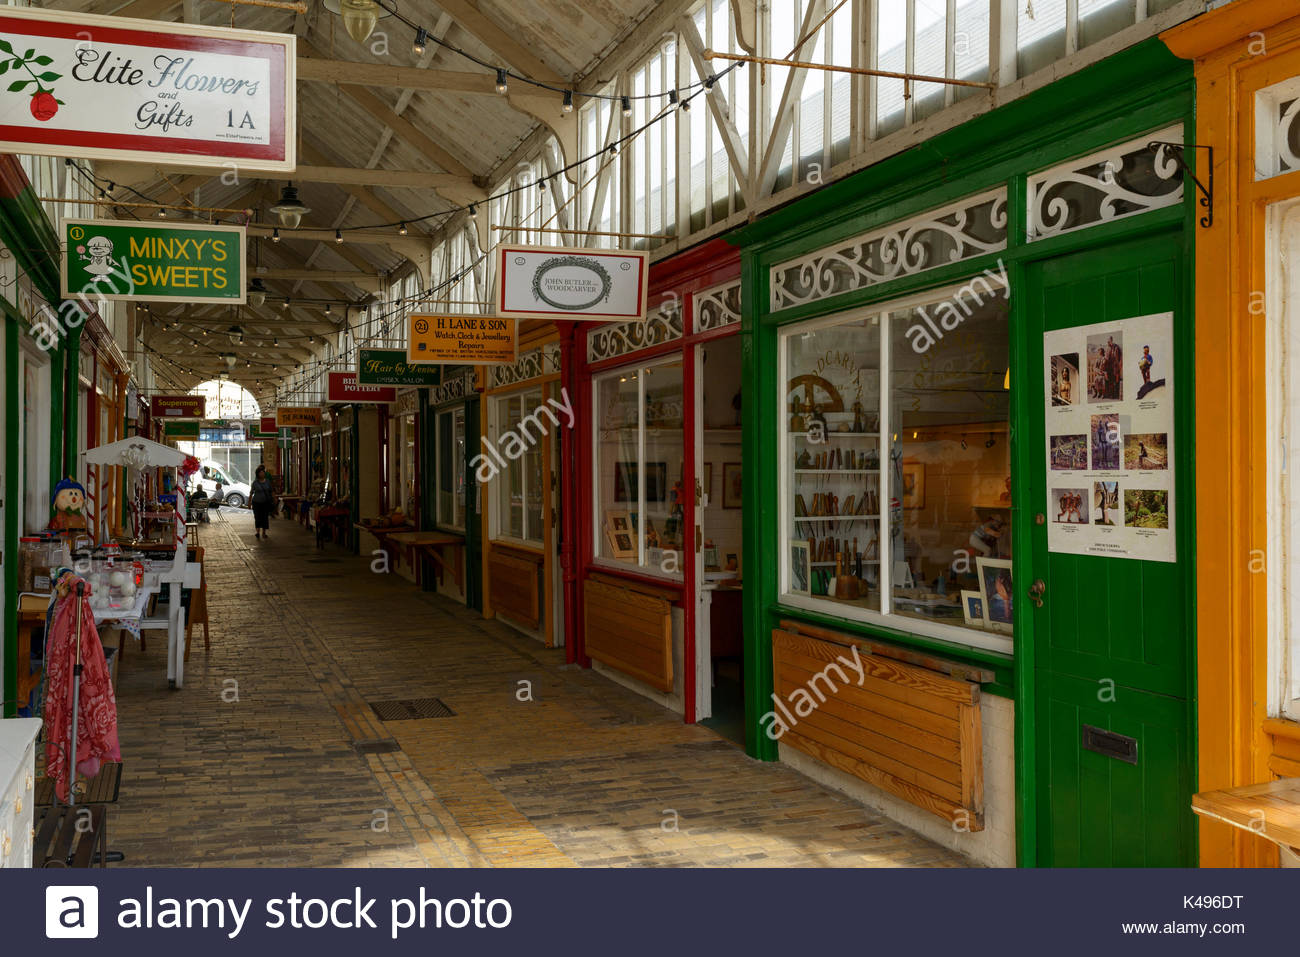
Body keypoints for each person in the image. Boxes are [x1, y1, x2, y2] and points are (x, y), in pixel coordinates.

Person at [250, 465, 275, 540]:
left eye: (263, 472)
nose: (262, 474)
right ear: (258, 474)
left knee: (264, 517)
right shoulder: (255, 482)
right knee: (257, 517)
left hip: (265, 502)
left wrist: (274, 498)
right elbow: (251, 492)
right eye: (260, 473)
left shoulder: (268, 482)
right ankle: (258, 532)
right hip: (256, 502)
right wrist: (249, 502)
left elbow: (271, 491)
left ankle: (264, 532)